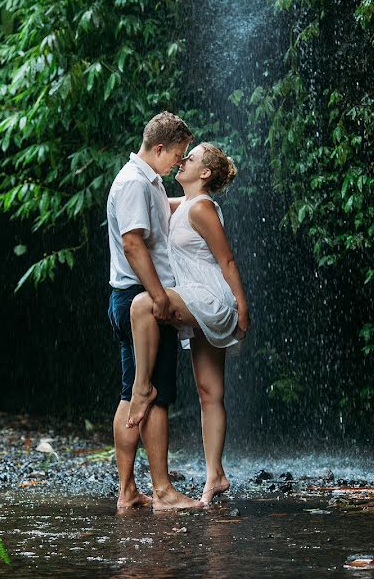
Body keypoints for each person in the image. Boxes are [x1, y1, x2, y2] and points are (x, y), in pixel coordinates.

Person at [125, 142, 250, 506]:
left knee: (144, 303)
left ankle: (142, 387)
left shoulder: (203, 208)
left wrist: (243, 307)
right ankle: (217, 475)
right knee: (209, 392)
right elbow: (155, 206)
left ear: (205, 173)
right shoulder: (185, 205)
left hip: (210, 296)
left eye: (190, 158)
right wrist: (140, 172)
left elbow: (227, 261)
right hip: (195, 297)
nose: (182, 161)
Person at [106, 111, 204, 511]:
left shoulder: (146, 182)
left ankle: (128, 490)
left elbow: (165, 213)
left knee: (134, 391)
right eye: (178, 156)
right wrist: (158, 295)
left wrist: (203, 193)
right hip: (139, 299)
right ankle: (161, 490)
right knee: (150, 396)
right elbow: (133, 244)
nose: (179, 164)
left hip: (132, 296)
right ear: (159, 148)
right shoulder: (133, 183)